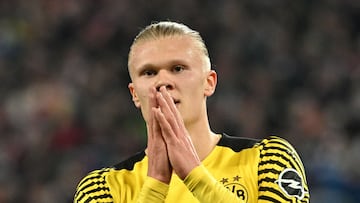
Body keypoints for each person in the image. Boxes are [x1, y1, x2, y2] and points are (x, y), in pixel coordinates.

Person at [74, 21, 310, 203]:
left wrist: (195, 176)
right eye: (149, 72)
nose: (162, 81)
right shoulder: (102, 188)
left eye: (178, 68)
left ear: (209, 82)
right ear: (135, 93)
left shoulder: (267, 159)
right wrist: (155, 186)